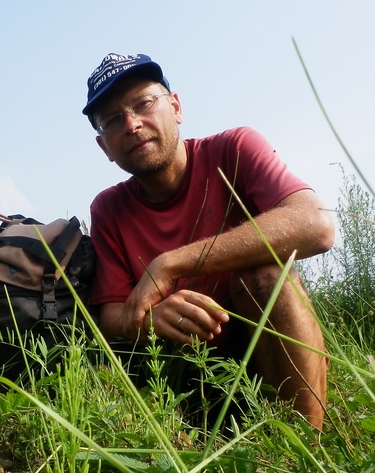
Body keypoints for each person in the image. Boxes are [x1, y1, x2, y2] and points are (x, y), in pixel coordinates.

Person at [82, 53, 334, 430]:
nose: (132, 124)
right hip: (184, 377)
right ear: (105, 147)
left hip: (269, 354)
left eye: (143, 103)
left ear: (176, 106)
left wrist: (172, 263)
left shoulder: (235, 148)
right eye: (114, 120)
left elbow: (317, 224)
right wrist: (153, 319)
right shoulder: (108, 208)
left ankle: (307, 450)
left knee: (265, 274)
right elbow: (112, 315)